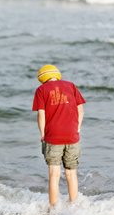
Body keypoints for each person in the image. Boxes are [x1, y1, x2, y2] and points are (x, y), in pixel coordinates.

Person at [32, 65, 85, 206]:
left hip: (53, 137)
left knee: (54, 176)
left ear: (42, 80)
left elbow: (41, 114)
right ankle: (74, 207)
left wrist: (43, 134)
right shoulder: (71, 86)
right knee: (71, 174)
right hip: (72, 136)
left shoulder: (41, 90)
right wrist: (77, 128)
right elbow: (80, 110)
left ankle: (53, 209)